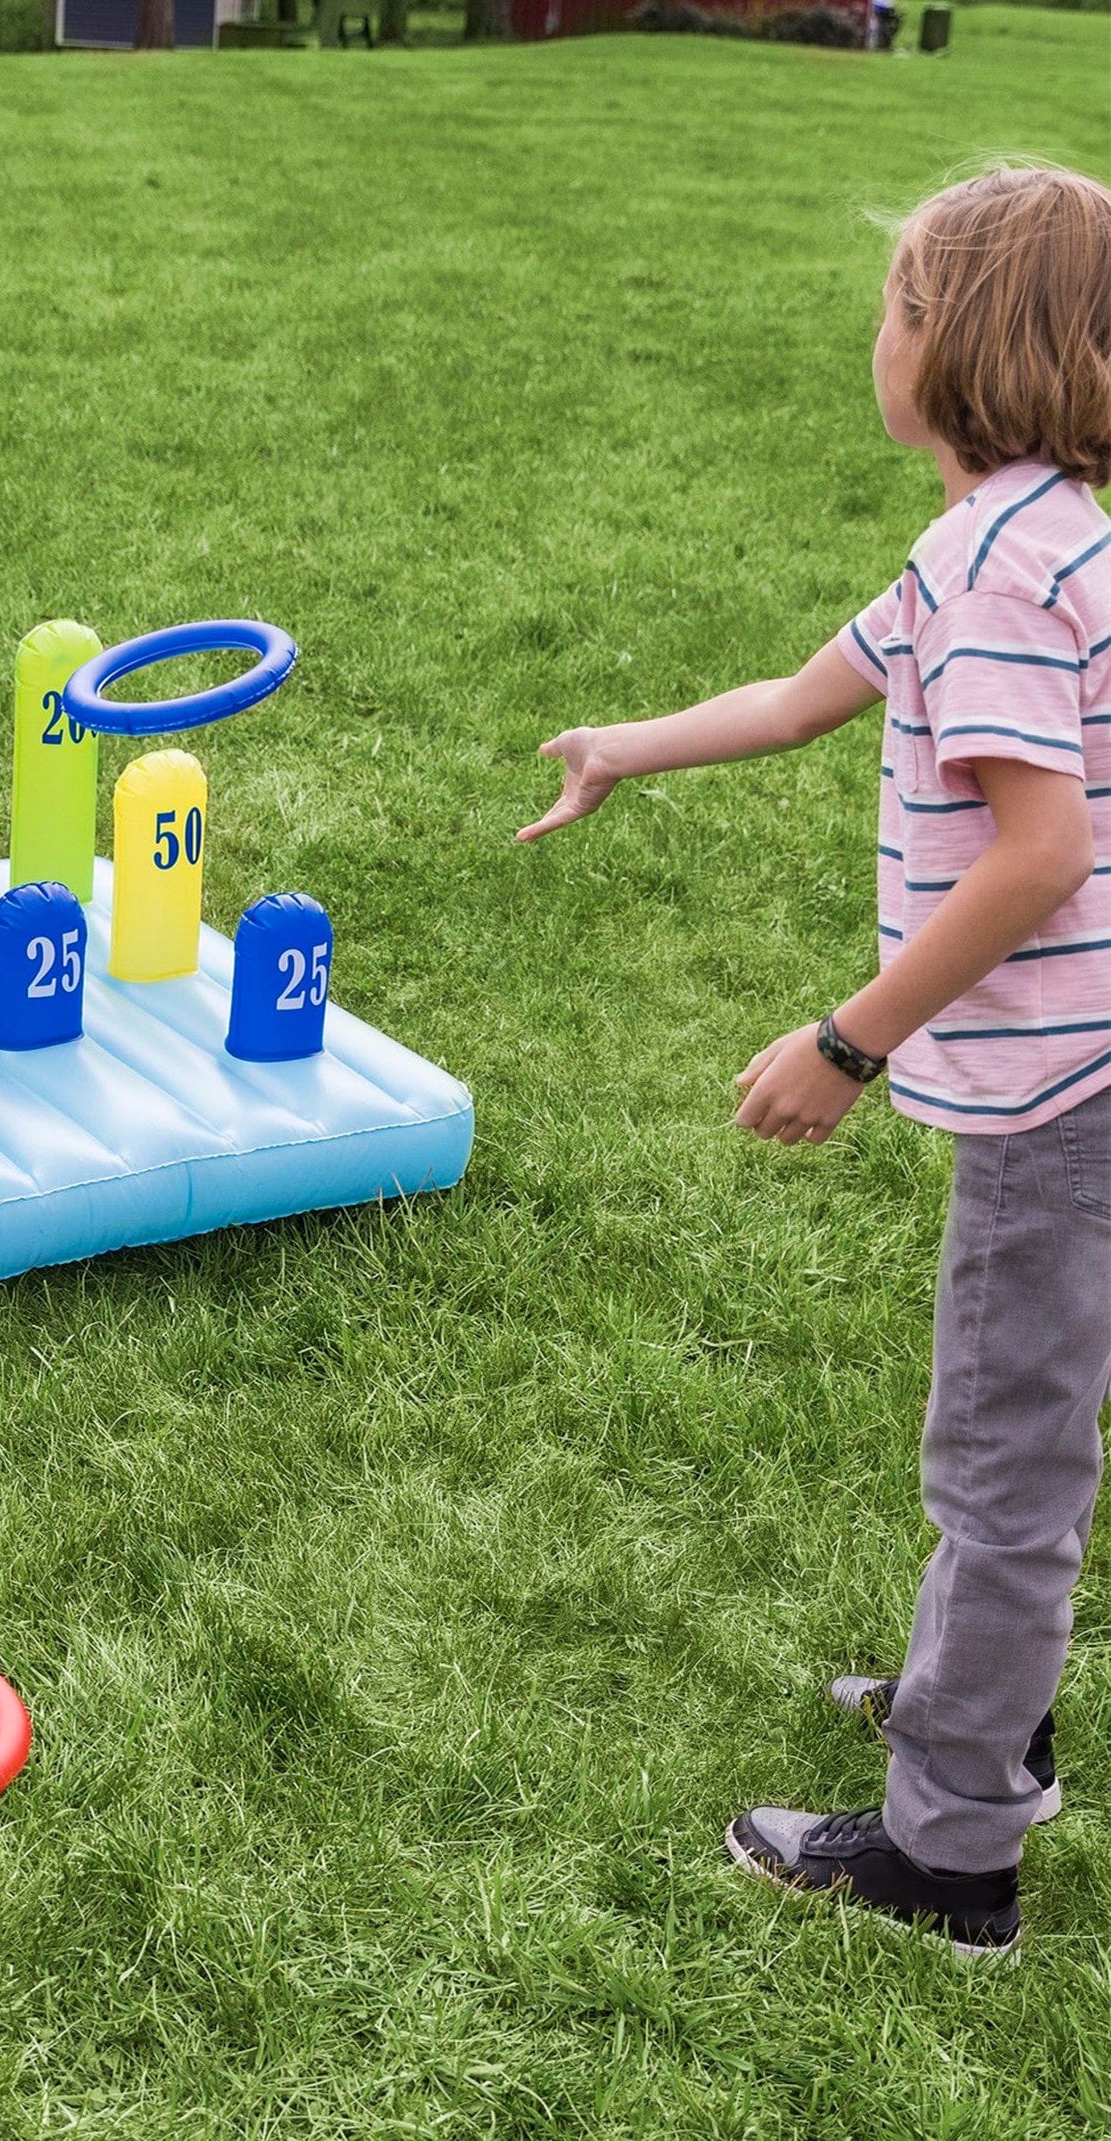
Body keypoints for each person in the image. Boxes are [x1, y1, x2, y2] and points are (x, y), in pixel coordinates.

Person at [519, 165, 1111, 1957]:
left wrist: (852, 1040)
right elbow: (803, 695)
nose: (878, 336)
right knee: (1023, 1446)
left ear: (950, 347)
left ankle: (949, 1849)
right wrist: (619, 744)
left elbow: (1038, 851)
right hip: (1088, 1063)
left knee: (1002, 1463)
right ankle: (987, 1715)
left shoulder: (1005, 568)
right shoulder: (1030, 531)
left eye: (895, 306)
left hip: (1057, 1093)